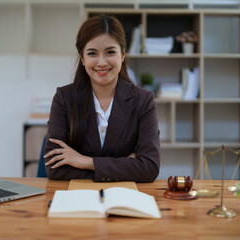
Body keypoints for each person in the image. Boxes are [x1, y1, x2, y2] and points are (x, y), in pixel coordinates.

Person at [43, 15, 160, 182]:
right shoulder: (64, 98)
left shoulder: (143, 100)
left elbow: (149, 168)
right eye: (92, 53)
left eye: (110, 52)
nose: (102, 62)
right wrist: (127, 166)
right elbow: (54, 169)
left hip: (126, 198)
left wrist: (86, 162)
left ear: (123, 55)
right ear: (82, 58)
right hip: (77, 198)